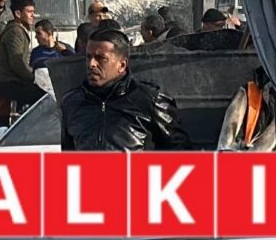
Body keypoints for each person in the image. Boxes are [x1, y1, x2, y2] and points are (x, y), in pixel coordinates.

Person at [60, 21, 188, 152]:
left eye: (101, 58)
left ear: (122, 65)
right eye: (88, 57)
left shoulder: (149, 101)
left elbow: (179, 151)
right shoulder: (71, 102)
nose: (91, 64)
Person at [0, 0, 41, 118]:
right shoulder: (15, 32)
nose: (33, 15)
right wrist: (34, 78)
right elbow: (17, 63)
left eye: (33, 12)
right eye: (29, 12)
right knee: (43, 95)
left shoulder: (19, 30)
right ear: (18, 13)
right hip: (10, 83)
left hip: (14, 81)